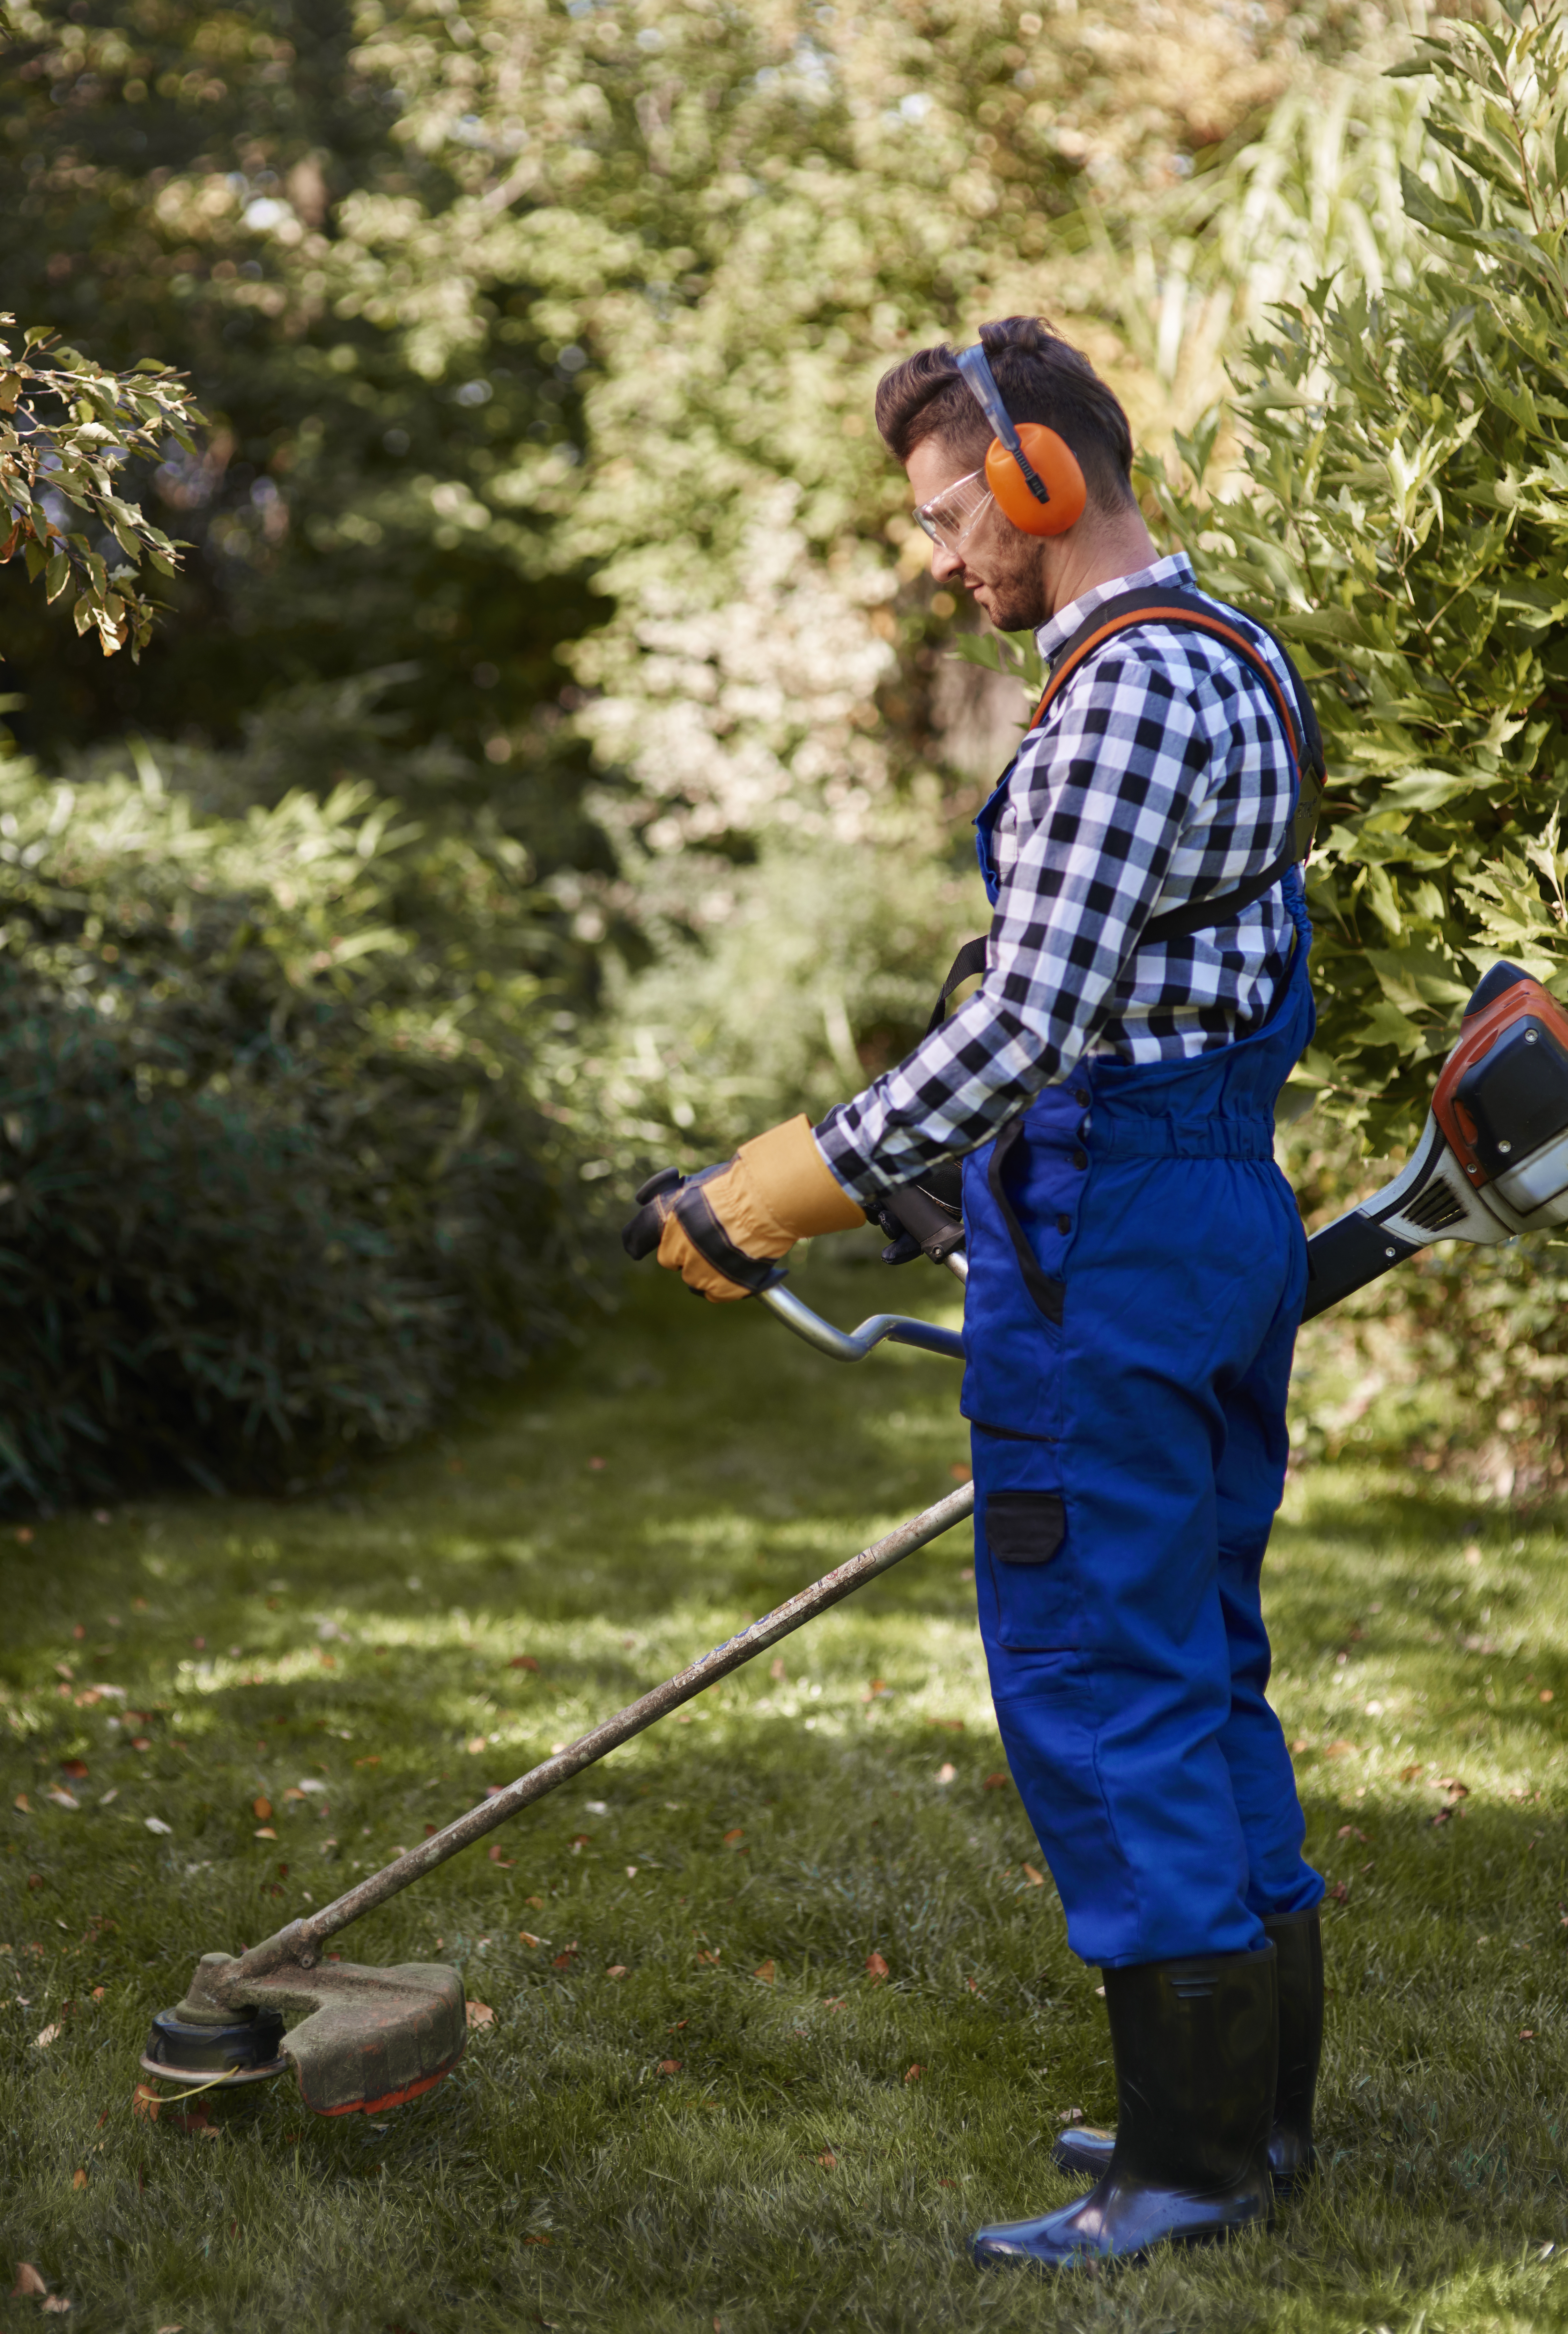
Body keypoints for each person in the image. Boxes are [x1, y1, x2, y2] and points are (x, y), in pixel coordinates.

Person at [623, 314, 1325, 2271]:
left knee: (1108, 1677)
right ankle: (1247, 2122)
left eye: (949, 516)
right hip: (1203, 1203)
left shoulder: (1111, 701)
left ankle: (1180, 2172)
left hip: (1113, 1239)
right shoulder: (1232, 656)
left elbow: (1027, 1019)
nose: (937, 557)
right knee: (1202, 1650)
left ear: (1040, 481)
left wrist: (782, 1186)